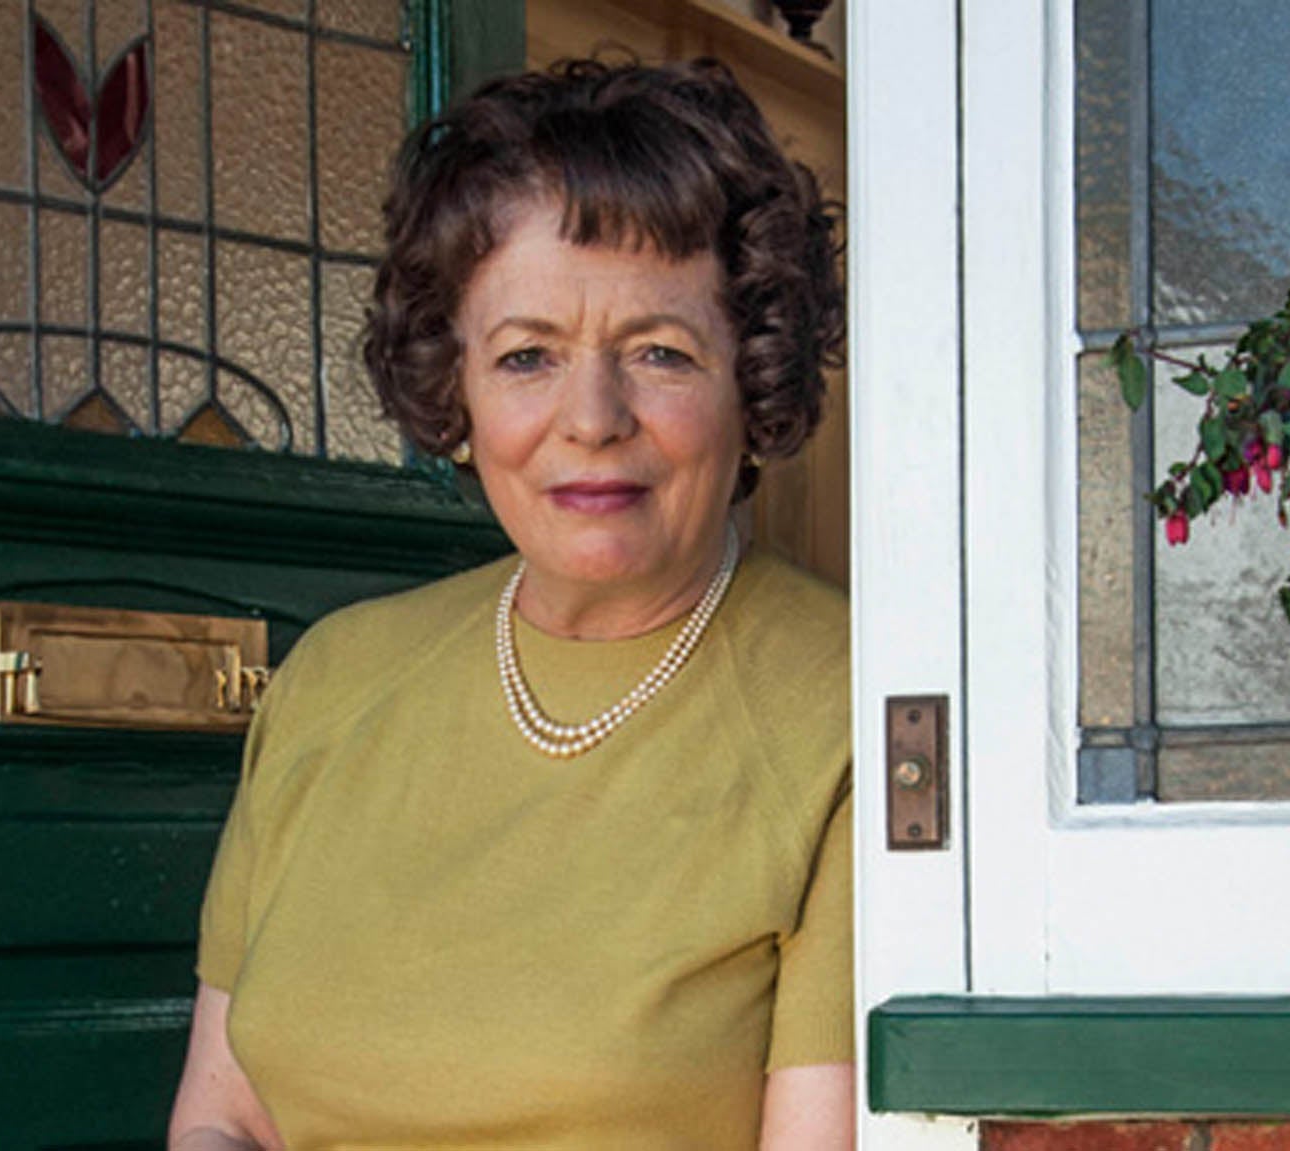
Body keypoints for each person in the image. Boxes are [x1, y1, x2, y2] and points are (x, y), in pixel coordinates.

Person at [168, 57, 850, 1151]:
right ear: (455, 388)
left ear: (751, 376)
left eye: (658, 353)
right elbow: (226, 1109)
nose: (591, 416)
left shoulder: (855, 710)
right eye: (526, 354)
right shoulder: (332, 680)